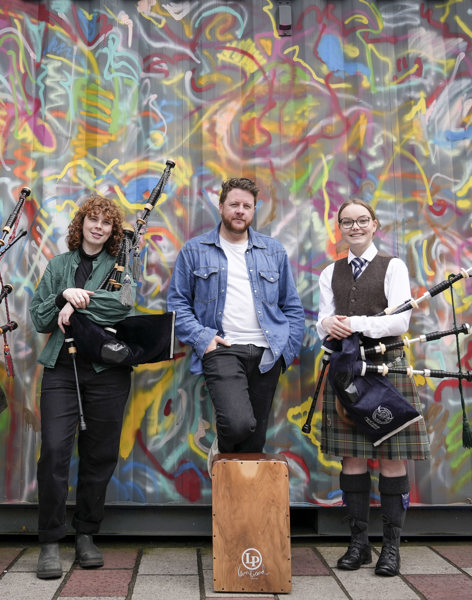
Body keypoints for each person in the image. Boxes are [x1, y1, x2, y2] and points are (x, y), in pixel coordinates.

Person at [317, 199, 431, 577]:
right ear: (340, 228)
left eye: (362, 220)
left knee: (390, 458)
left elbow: (400, 321)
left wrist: (352, 324)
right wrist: (329, 325)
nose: (355, 227)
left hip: (387, 367)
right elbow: (322, 320)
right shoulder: (329, 272)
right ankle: (358, 544)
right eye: (347, 222)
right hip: (347, 370)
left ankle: (391, 548)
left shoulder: (392, 266)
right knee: (352, 459)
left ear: (375, 225)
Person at [167, 177, 305, 472]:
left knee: (254, 442)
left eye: (247, 206)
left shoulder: (273, 251)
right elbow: (177, 304)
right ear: (221, 207)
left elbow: (291, 305)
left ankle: (239, 512)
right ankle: (223, 452)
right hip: (222, 347)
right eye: (234, 205)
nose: (240, 211)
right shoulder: (195, 250)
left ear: (254, 210)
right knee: (238, 423)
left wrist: (285, 351)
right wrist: (204, 338)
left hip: (268, 353)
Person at [29, 195, 135, 580]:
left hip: (107, 370)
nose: (99, 227)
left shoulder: (121, 264)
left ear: (113, 231)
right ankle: (49, 541)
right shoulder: (59, 265)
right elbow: (40, 317)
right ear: (82, 223)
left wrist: (75, 304)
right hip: (61, 367)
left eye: (107, 223)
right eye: (93, 219)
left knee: (100, 453)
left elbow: (124, 304)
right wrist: (61, 294)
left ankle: (87, 534)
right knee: (55, 451)